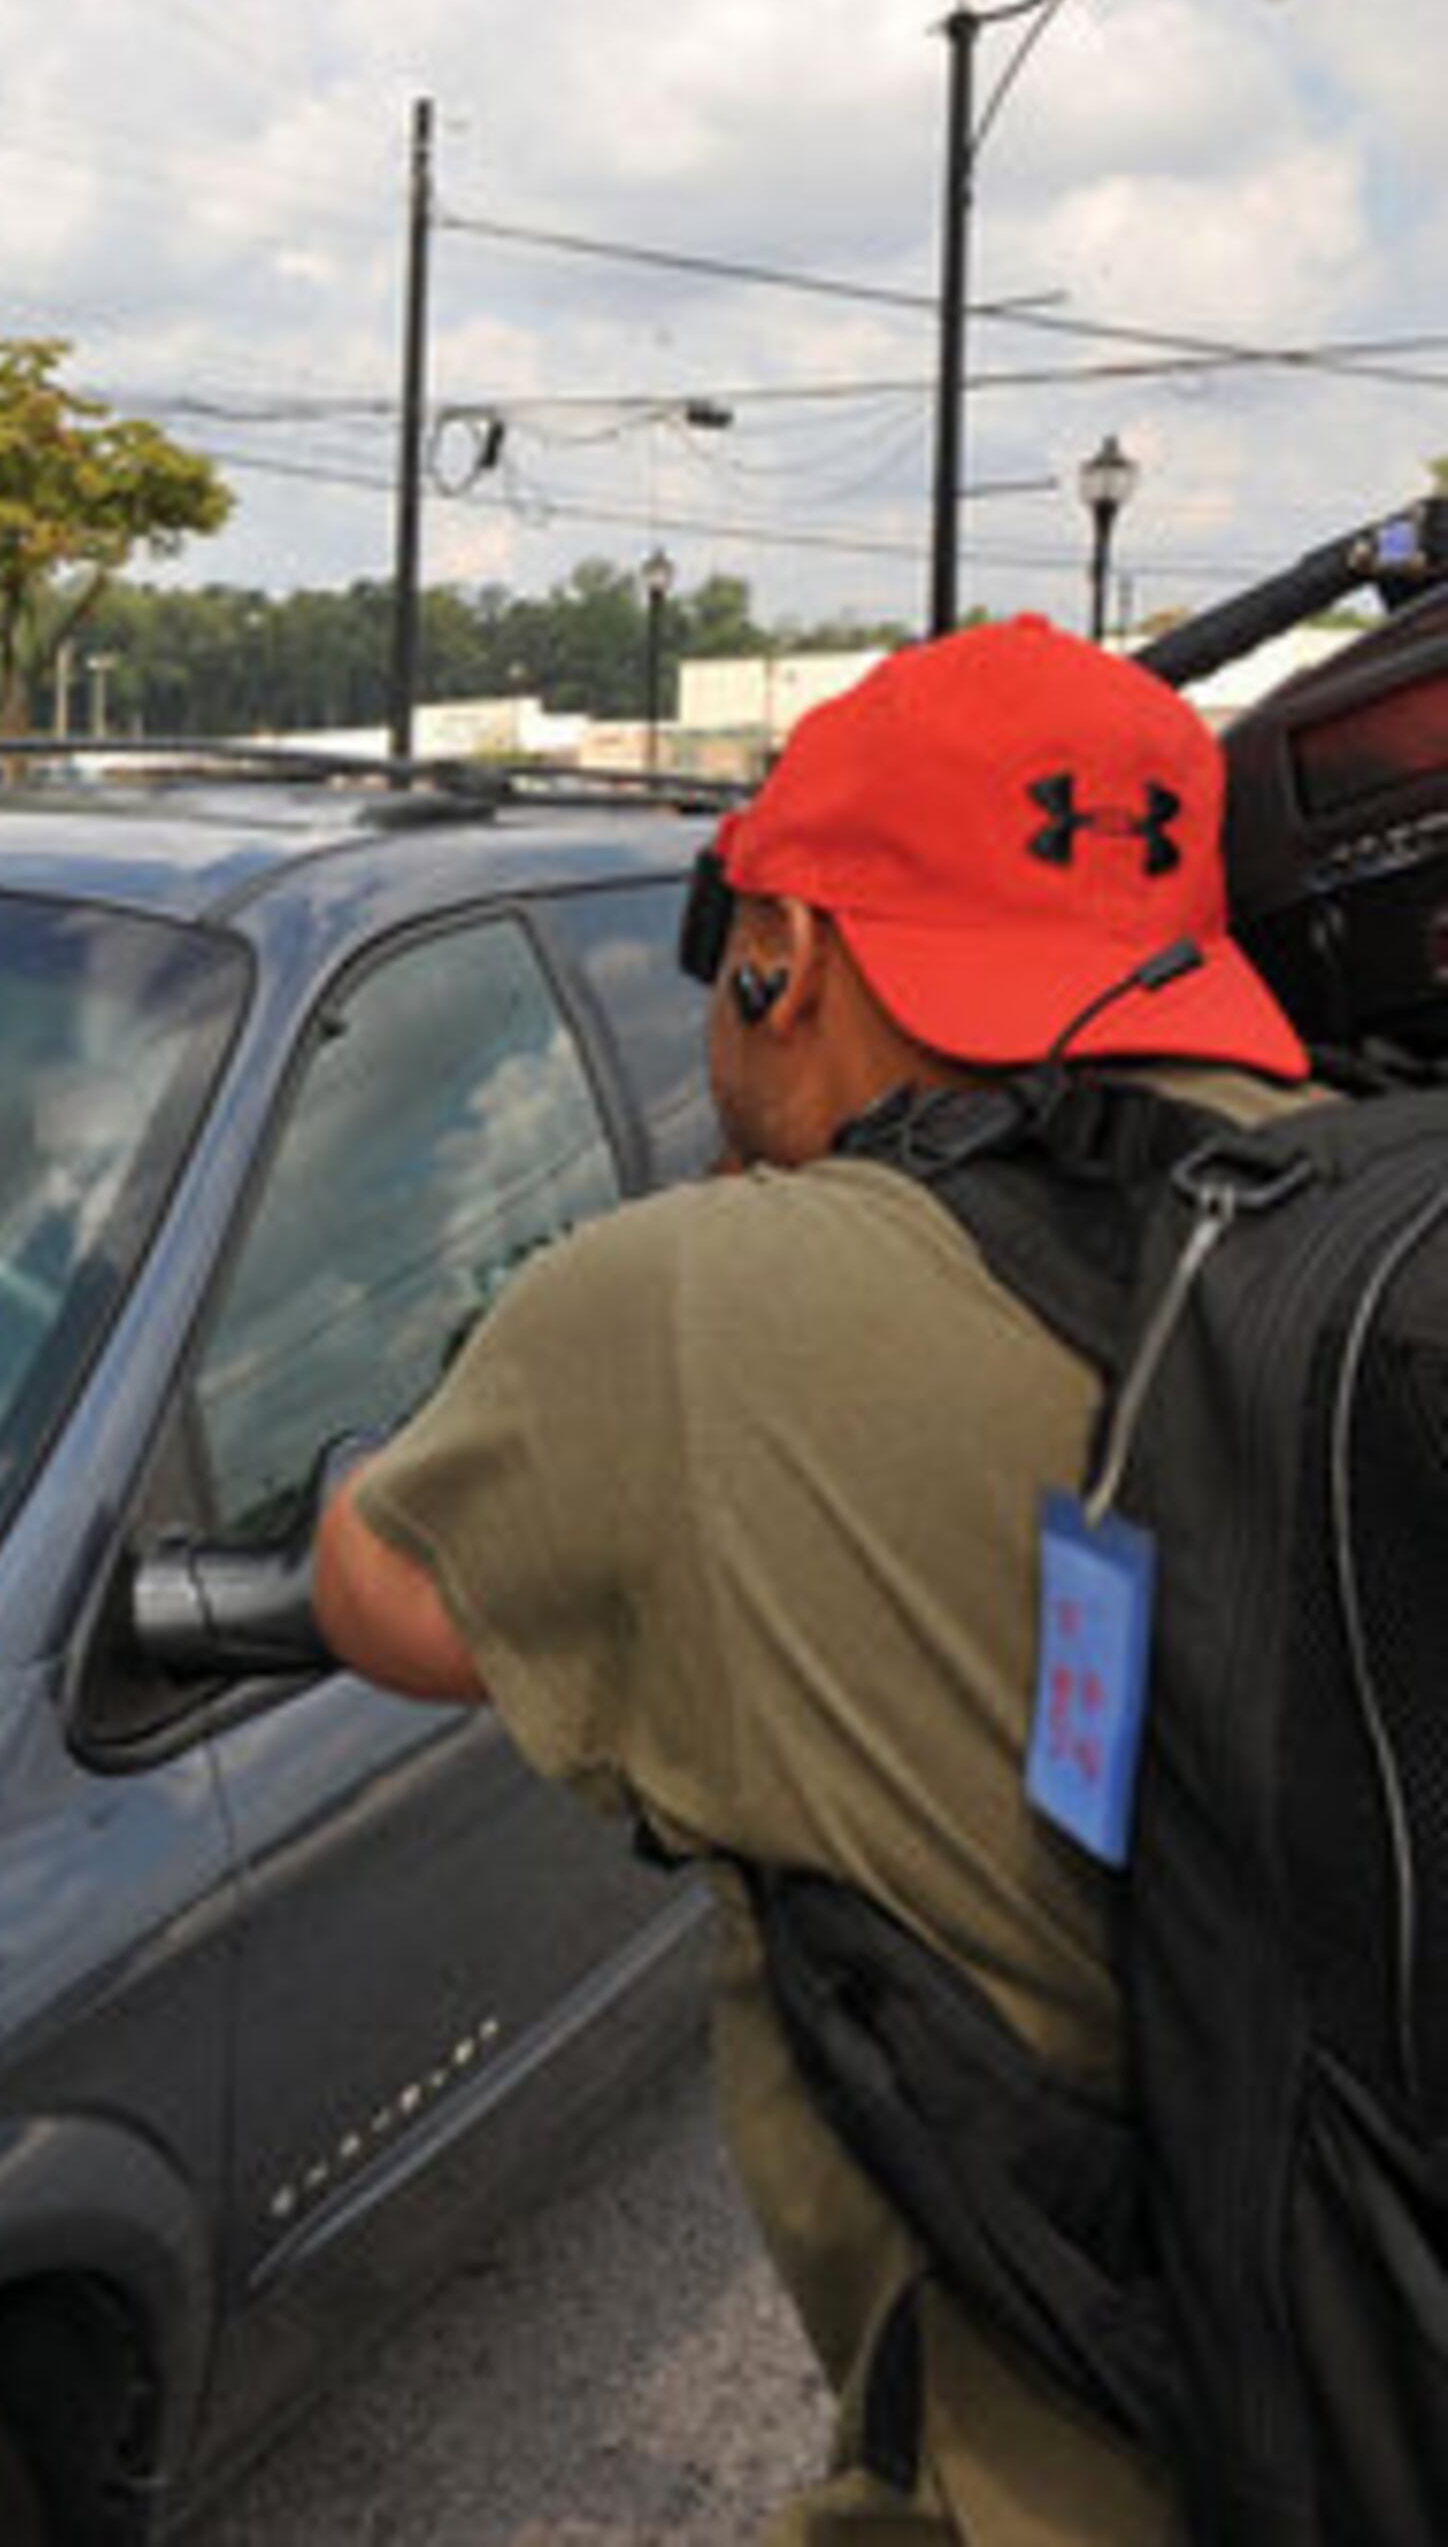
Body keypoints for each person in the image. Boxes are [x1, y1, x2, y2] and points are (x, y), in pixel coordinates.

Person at [310, 618, 1315, 2546]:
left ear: (790, 954)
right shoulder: (1355, 1213)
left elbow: (386, 1597)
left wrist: (370, 1451)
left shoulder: (703, 1304)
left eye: (729, 948)